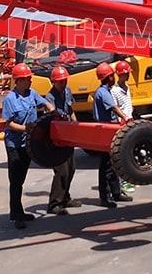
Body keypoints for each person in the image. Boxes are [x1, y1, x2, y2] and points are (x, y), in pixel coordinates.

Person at [1, 62, 54, 229]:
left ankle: (19, 211)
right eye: (28, 79)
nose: (30, 81)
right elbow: (9, 123)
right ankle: (16, 215)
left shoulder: (32, 94)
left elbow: (45, 104)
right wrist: (26, 129)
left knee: (21, 178)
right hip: (14, 144)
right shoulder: (10, 99)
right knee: (15, 180)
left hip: (27, 144)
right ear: (19, 80)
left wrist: (53, 112)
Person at [92, 62, 133, 207]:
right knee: (107, 165)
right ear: (108, 77)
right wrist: (125, 117)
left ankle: (115, 192)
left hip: (109, 128)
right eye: (112, 75)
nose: (114, 77)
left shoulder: (106, 90)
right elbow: (114, 107)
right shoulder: (103, 93)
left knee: (113, 162)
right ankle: (106, 196)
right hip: (105, 130)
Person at [45, 65, 83, 215]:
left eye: (65, 80)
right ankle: (54, 203)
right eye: (60, 81)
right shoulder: (50, 98)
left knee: (71, 168)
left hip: (68, 135)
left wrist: (76, 125)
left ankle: (65, 197)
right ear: (53, 82)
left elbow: (70, 110)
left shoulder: (67, 91)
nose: (63, 83)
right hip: (57, 137)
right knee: (61, 171)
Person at [111, 60, 135, 193]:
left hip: (129, 121)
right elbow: (115, 108)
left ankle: (127, 180)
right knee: (121, 154)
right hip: (121, 123)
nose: (128, 76)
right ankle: (121, 182)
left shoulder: (127, 88)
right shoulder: (114, 91)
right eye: (127, 74)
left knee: (129, 153)